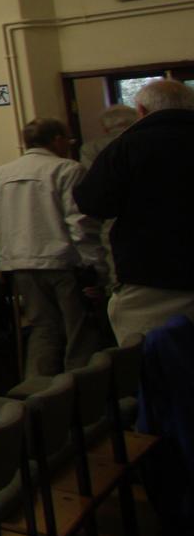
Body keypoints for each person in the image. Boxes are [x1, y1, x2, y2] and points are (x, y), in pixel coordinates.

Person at [0, 118, 106, 375]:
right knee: (79, 333)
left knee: (42, 330)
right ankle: (82, 395)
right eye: (68, 140)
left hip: (20, 264)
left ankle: (39, 396)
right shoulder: (68, 170)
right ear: (57, 139)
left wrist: (2, 258)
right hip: (64, 263)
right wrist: (96, 266)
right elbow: (78, 222)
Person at [75, 77, 194, 344]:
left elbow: (92, 203)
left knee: (154, 365)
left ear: (140, 110)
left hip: (149, 277)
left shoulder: (125, 148)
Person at [80, 102, 138, 167]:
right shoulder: (146, 142)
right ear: (136, 122)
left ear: (104, 128)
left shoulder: (89, 149)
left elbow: (90, 174)